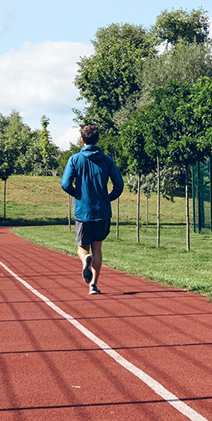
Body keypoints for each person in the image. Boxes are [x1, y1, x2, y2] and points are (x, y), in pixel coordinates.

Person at [60, 125, 124, 295]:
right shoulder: (108, 160)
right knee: (97, 247)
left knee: (82, 247)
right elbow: (119, 185)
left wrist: (78, 194)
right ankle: (93, 285)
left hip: (83, 211)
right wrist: (107, 198)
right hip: (102, 211)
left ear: (82, 140)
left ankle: (85, 260)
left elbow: (65, 184)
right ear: (98, 139)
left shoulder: (75, 159)